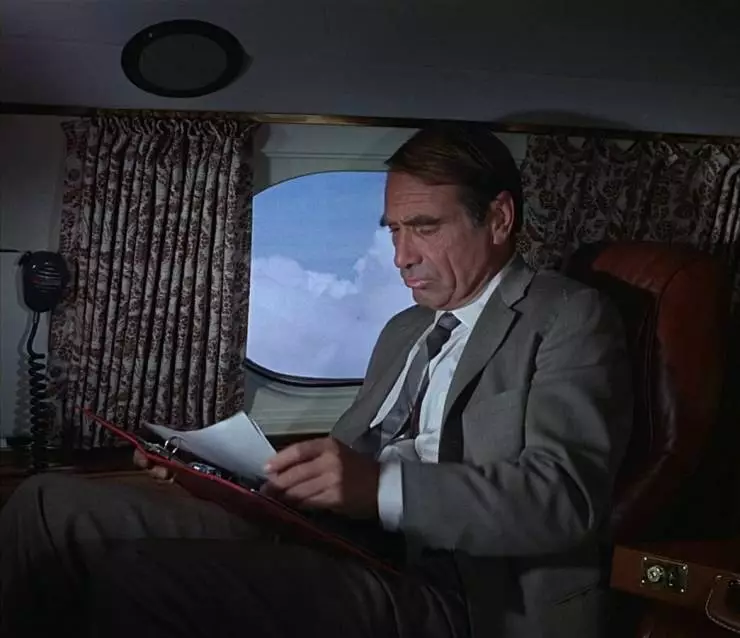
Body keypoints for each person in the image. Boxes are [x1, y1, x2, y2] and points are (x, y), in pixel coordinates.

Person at [0, 124, 633, 638]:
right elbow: (347, 460)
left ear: (497, 218)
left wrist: (378, 488)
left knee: (143, 575)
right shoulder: (405, 329)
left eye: (425, 228)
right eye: (394, 231)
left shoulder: (568, 316)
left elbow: (564, 500)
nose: (401, 256)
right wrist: (218, 476)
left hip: (461, 589)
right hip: (339, 534)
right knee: (48, 505)